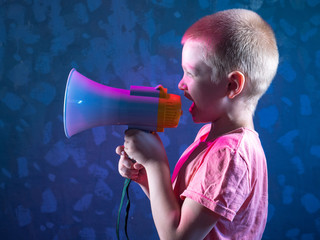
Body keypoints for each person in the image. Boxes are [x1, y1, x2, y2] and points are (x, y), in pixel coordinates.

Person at [116, 8, 279, 240]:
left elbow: (177, 237)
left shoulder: (230, 154)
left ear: (232, 85)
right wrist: (146, 176)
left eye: (190, 74)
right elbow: (180, 214)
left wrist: (155, 162)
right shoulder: (209, 136)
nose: (181, 84)